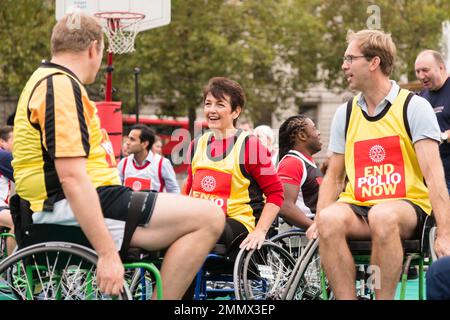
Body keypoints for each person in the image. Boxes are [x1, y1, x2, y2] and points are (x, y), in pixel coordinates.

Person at [12, 13, 224, 299]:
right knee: (209, 217)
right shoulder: (60, 86)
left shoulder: (46, 80)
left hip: (69, 201)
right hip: (76, 202)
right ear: (94, 48)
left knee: (182, 225)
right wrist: (107, 254)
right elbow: (73, 179)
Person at [306, 29, 450, 300]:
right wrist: (318, 218)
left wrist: (445, 233)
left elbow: (434, 176)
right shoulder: (345, 113)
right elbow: (335, 176)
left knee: (382, 215)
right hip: (360, 207)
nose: (344, 66)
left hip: (407, 206)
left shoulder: (413, 107)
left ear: (374, 62)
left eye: (350, 58)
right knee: (327, 219)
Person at [185, 77, 284, 252]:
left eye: (220, 104)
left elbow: (275, 193)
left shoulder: (251, 146)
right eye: (208, 104)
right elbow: (188, 190)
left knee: (198, 232)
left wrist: (260, 231)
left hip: (238, 223)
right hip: (200, 220)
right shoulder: (196, 144)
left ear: (236, 112)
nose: (212, 110)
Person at [277, 115, 323, 230]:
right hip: (301, 241)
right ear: (302, 135)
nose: (319, 132)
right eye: (314, 128)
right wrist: (315, 228)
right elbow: (284, 206)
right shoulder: (292, 162)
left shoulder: (307, 162)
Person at [415, 50, 450, 194]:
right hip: (431, 177)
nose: (421, 76)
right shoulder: (422, 97)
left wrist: (441, 137)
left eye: (425, 70)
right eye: (417, 71)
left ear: (441, 67)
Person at [117, 124, 180, 193]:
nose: (127, 142)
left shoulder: (162, 163)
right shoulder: (123, 163)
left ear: (145, 144)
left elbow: (174, 191)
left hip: (155, 203)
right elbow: (116, 189)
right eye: (128, 138)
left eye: (132, 139)